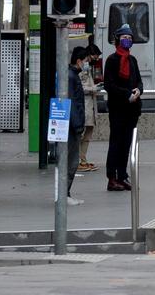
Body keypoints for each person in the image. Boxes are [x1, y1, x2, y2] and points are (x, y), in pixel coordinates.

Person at [104, 24, 143, 191]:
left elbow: (139, 80)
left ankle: (122, 176)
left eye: (129, 38)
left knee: (127, 143)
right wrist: (127, 94)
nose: (127, 40)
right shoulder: (112, 60)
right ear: (117, 40)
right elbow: (109, 85)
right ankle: (112, 178)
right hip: (118, 108)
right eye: (124, 38)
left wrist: (139, 90)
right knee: (116, 143)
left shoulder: (132, 60)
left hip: (132, 109)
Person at [66, 48, 87, 205]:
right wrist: (78, 125)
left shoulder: (71, 75)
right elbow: (73, 103)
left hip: (70, 125)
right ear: (79, 61)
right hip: (72, 126)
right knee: (71, 161)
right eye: (85, 61)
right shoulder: (71, 77)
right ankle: (64, 194)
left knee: (70, 160)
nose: (87, 64)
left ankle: (65, 193)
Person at [77, 45, 101, 172]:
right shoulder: (81, 69)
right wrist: (93, 89)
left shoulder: (87, 69)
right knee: (81, 134)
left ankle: (83, 159)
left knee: (87, 135)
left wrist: (95, 87)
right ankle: (78, 160)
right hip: (85, 106)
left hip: (90, 106)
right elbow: (81, 87)